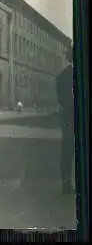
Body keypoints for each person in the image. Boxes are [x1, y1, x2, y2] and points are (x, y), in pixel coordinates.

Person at [56, 45, 75, 194]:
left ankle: (66, 182)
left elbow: (61, 98)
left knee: (67, 149)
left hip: (68, 115)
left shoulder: (61, 76)